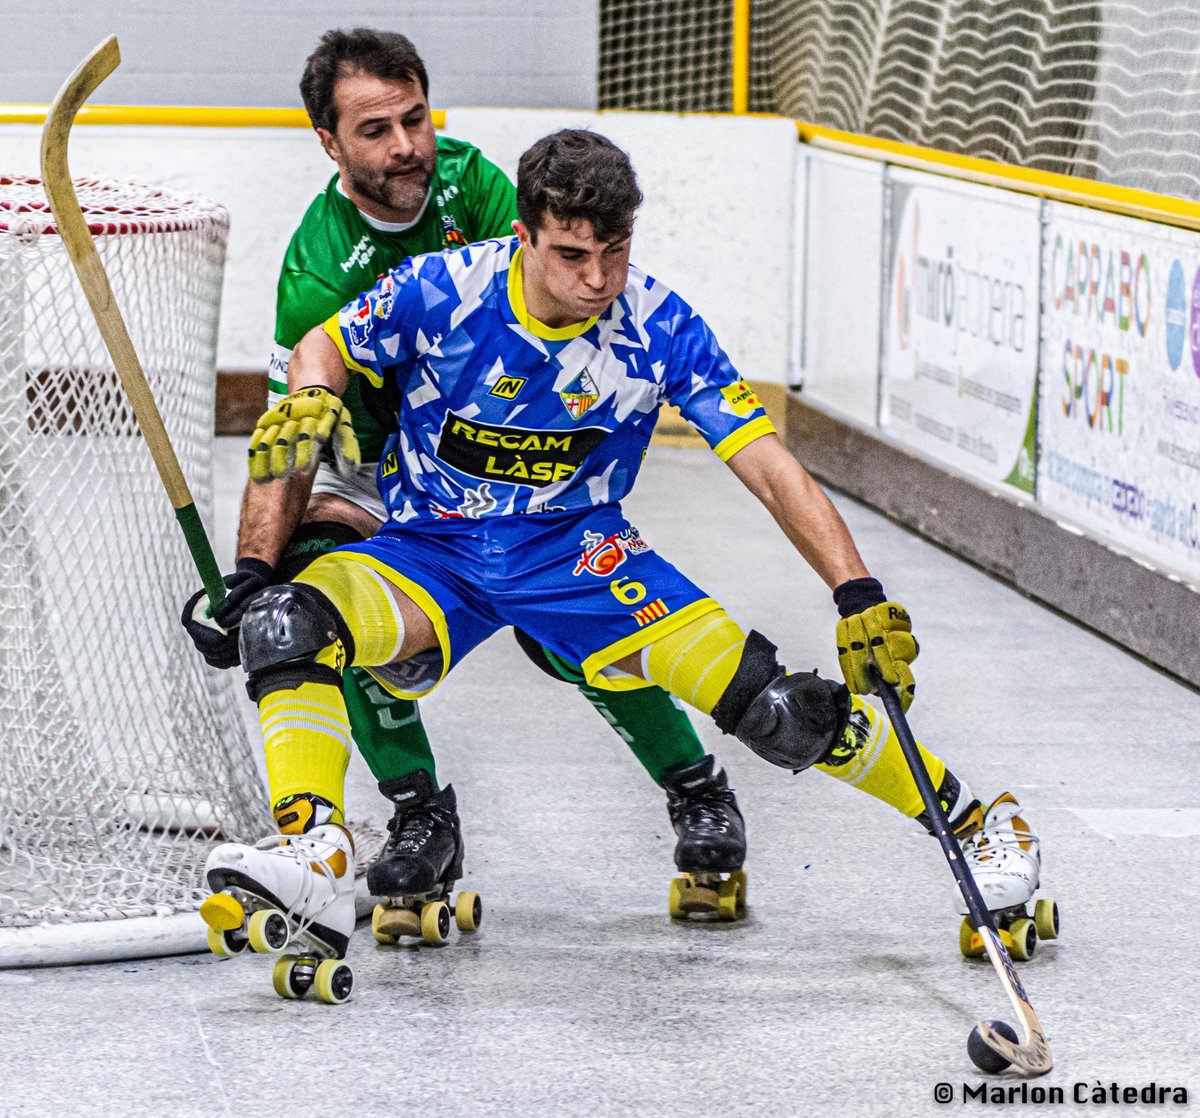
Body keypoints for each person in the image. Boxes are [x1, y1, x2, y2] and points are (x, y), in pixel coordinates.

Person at [201, 129, 1048, 997]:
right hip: (434, 552)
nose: (597, 280)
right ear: (525, 236)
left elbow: (770, 467)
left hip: (579, 554)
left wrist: (855, 591)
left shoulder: (659, 326)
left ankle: (980, 824)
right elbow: (326, 344)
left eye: (614, 252)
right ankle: (314, 848)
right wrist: (311, 394)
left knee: (779, 708)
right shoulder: (444, 290)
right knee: (285, 620)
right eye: (571, 255)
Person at [183, 30, 746, 924]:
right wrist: (254, 571)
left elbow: (546, 318)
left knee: (583, 615)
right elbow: (295, 435)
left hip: (509, 451)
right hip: (375, 467)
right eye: (375, 131)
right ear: (329, 143)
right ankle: (419, 817)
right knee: (310, 602)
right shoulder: (315, 271)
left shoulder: (475, 185)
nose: (406, 145)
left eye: (415, 118)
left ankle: (694, 787)